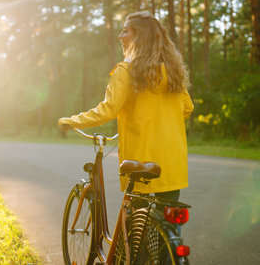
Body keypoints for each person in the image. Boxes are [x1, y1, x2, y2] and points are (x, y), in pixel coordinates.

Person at [58, 11, 194, 207]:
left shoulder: (126, 71)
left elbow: (107, 110)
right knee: (168, 221)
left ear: (140, 36)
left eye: (125, 31)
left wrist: (71, 121)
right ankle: (171, 239)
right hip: (172, 161)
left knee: (136, 223)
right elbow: (187, 108)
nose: (120, 36)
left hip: (140, 162)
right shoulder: (172, 72)